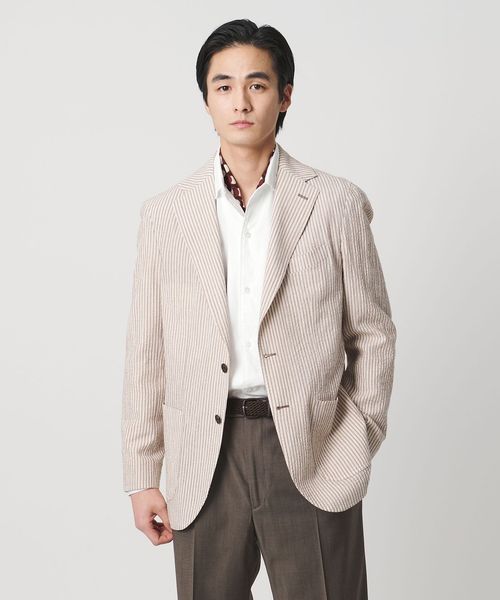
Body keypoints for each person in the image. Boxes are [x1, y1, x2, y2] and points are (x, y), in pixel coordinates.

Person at [121, 18, 397, 600]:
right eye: (223, 86)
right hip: (205, 456)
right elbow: (148, 349)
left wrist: (358, 434)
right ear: (206, 100)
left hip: (312, 449)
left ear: (285, 95)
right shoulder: (166, 215)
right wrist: (143, 475)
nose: (240, 101)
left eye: (257, 84)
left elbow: (372, 332)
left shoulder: (335, 203)